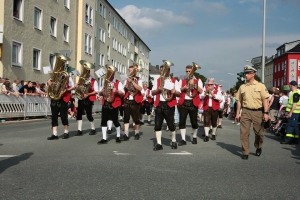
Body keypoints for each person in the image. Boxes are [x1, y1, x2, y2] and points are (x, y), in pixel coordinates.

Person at [235, 65, 270, 160]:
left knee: (259, 133)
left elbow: (265, 100)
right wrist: (238, 113)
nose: (246, 75)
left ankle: (258, 146)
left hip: (258, 112)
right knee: (244, 133)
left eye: (248, 73)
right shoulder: (242, 87)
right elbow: (239, 101)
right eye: (245, 73)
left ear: (253, 74)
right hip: (246, 111)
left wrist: (266, 113)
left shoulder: (261, 86)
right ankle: (245, 152)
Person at [152, 63, 181, 151]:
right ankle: (159, 144)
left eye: (164, 70)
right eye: (161, 70)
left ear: (168, 71)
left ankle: (173, 141)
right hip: (159, 103)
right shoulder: (157, 80)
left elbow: (179, 93)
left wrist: (174, 91)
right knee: (157, 125)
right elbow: (152, 92)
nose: (163, 72)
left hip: (169, 104)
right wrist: (158, 90)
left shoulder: (174, 80)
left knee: (171, 124)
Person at [98, 65, 124, 144]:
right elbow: (99, 92)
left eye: (111, 73)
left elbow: (122, 93)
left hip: (114, 103)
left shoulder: (118, 82)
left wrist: (116, 91)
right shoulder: (104, 82)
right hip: (106, 102)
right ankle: (104, 138)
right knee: (104, 121)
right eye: (109, 72)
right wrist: (101, 92)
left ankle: (118, 136)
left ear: (114, 74)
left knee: (115, 121)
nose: (110, 75)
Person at [177, 65, 203, 145]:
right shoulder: (182, 79)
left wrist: (195, 85)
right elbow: (178, 91)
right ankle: (183, 139)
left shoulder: (198, 80)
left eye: (189, 71)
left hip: (193, 102)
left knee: (194, 122)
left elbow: (201, 91)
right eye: (187, 71)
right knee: (182, 121)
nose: (188, 73)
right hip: (184, 101)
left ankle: (194, 136)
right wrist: (183, 88)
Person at [47, 73, 75, 140]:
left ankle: (66, 132)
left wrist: (66, 90)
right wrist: (49, 83)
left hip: (63, 99)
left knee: (63, 117)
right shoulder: (54, 76)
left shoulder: (67, 76)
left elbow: (73, 86)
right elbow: (48, 84)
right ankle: (55, 134)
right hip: (54, 98)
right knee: (54, 117)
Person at [121, 65, 143, 141]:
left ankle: (136, 133)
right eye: (129, 71)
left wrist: (132, 82)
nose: (130, 72)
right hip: (127, 100)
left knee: (136, 119)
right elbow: (123, 90)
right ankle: (126, 135)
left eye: (131, 71)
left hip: (135, 100)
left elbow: (140, 88)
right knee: (126, 118)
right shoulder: (126, 79)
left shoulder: (139, 79)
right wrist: (125, 87)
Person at [75, 65, 98, 136]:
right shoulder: (81, 80)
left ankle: (93, 128)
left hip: (89, 99)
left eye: (85, 73)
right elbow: (78, 89)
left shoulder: (93, 81)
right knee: (79, 114)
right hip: (81, 98)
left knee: (89, 114)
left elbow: (96, 91)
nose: (84, 75)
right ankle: (79, 130)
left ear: (88, 73)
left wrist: (88, 94)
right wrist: (76, 86)